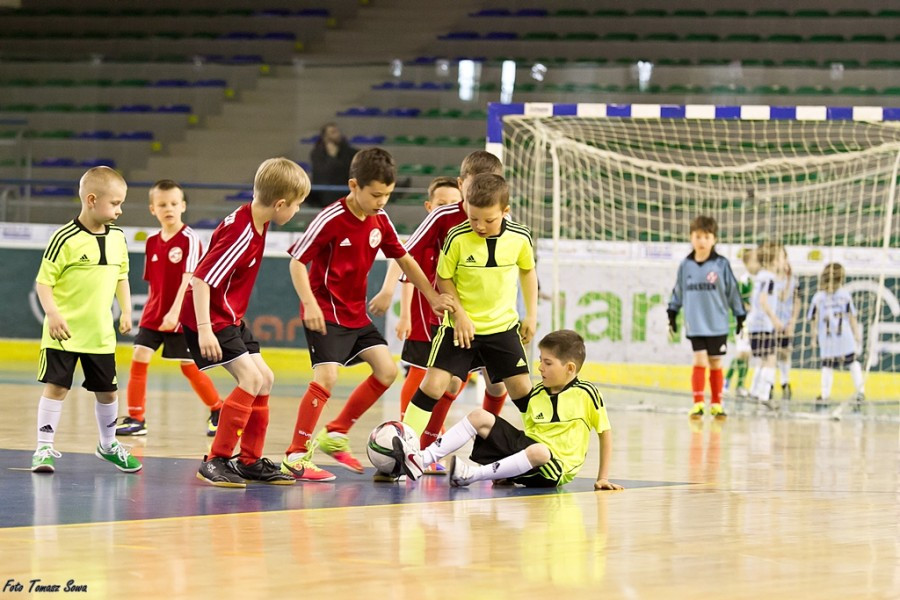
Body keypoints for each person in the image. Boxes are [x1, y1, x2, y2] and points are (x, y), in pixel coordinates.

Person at [281, 148, 455, 481]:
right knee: (327, 378)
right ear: (353, 185)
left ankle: (336, 433)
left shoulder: (380, 219)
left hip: (355, 314)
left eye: (387, 195)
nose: (382, 201)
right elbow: (297, 262)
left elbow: (405, 260)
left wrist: (432, 295)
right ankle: (295, 455)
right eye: (376, 194)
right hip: (325, 311)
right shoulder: (330, 218)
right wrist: (310, 303)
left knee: (386, 371)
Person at [370, 151, 512, 451]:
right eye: (474, 186)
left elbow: (517, 265)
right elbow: (403, 252)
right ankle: (417, 443)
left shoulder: (504, 221)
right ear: (463, 184)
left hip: (492, 319)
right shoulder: (444, 217)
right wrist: (394, 290)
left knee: (497, 385)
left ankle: (486, 445)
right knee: (437, 381)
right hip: (452, 316)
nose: (479, 194)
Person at [182, 158, 309, 488]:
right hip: (209, 318)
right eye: (296, 205)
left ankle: (250, 461)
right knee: (251, 378)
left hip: (229, 316)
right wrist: (206, 328)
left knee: (265, 378)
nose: (296, 211)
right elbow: (200, 280)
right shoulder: (241, 231)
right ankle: (216, 459)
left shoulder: (259, 219)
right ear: (280, 204)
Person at [400, 173, 538, 473]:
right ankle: (404, 451)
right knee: (433, 385)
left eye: (488, 220)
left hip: (503, 329)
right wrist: (459, 315)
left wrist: (532, 314)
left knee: (522, 389)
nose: (479, 226)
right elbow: (443, 277)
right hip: (459, 330)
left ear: (506, 211)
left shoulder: (520, 237)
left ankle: (538, 450)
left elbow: (528, 271)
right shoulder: (458, 237)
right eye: (473, 217)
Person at [397, 330, 623, 490]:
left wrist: (602, 478)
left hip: (555, 468)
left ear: (570, 368)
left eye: (548, 363)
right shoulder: (538, 394)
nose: (540, 367)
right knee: (479, 416)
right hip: (528, 452)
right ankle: (421, 459)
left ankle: (471, 476)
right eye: (541, 361)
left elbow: (605, 434)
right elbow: (527, 434)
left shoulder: (587, 393)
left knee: (540, 452)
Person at [31, 166, 141, 473]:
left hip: (100, 334)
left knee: (108, 391)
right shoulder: (64, 238)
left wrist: (127, 310)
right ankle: (43, 449)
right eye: (115, 203)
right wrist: (52, 314)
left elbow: (122, 275)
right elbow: (43, 282)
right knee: (56, 388)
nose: (120, 211)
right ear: (91, 200)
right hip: (63, 333)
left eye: (121, 204)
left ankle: (107, 445)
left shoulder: (118, 238)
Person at [116, 180, 223, 438]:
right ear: (153, 209)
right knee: (139, 358)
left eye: (174, 204)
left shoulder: (190, 239)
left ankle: (218, 409)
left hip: (181, 315)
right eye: (162, 204)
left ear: (183, 206)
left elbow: (189, 280)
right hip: (154, 316)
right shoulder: (152, 241)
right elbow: (154, 283)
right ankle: (136, 418)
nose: (169, 208)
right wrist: (143, 313)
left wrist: (175, 313)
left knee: (189, 366)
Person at [667, 216, 745, 419]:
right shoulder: (686, 265)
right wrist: (672, 312)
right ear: (691, 238)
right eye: (698, 236)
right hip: (695, 323)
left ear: (714, 239)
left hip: (717, 324)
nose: (702, 241)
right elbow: (679, 290)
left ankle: (717, 403)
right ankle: (698, 403)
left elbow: (732, 291)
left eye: (706, 237)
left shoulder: (721, 264)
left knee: (716, 363)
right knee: (699, 360)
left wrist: (740, 315)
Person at [807, 262, 865, 410]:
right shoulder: (837, 296)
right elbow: (851, 316)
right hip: (837, 339)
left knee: (835, 365)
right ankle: (855, 392)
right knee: (843, 364)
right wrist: (857, 334)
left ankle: (831, 395)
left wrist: (813, 337)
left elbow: (813, 319)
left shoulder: (820, 297)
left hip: (834, 339)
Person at [745, 241, 783, 409]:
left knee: (763, 360)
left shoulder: (760, 276)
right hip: (763, 324)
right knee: (771, 359)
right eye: (781, 258)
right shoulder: (769, 278)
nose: (783, 261)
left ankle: (754, 391)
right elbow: (762, 300)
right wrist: (774, 318)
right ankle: (764, 395)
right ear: (771, 261)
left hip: (754, 324)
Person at [723, 248, 759, 398]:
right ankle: (726, 381)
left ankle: (740, 385)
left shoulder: (759, 280)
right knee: (741, 353)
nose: (758, 264)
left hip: (753, 323)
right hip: (742, 321)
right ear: (747, 263)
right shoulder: (745, 280)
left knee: (748, 355)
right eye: (755, 261)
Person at [773, 247, 801, 401]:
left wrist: (793, 321)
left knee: (785, 353)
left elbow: (797, 301)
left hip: (786, 321)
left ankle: (785, 382)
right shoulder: (769, 278)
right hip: (772, 322)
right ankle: (768, 383)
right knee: (770, 353)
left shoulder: (794, 280)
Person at [308, 122, 358, 207]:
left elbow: (345, 171)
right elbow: (322, 173)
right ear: (325, 137)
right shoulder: (317, 153)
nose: (337, 134)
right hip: (323, 194)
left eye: (337, 131)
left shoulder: (351, 153)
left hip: (344, 191)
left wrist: (333, 158)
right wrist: (332, 157)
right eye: (333, 132)